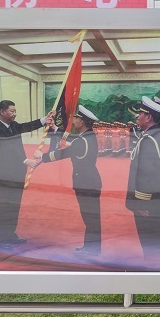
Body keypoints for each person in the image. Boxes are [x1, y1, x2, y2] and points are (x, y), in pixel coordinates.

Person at [35, 105, 102, 256]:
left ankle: (92, 249)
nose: (75, 120)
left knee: (90, 218)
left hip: (86, 183)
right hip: (90, 181)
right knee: (91, 217)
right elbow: (72, 138)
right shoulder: (88, 135)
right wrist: (55, 128)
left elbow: (63, 153)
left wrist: (42, 156)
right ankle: (91, 247)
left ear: (82, 122)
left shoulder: (82, 140)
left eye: (77, 118)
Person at [0, 100, 54, 250]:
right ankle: (0, 237)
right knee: (4, 206)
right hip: (4, 174)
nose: (15, 114)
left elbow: (26, 126)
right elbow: (6, 149)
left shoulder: (13, 125)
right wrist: (25, 160)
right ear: (2, 112)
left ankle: (10, 233)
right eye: (12, 111)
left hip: (17, 173)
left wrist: (44, 120)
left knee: (14, 205)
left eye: (15, 111)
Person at [125, 96, 160, 261]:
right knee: (156, 242)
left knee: (150, 243)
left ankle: (152, 269)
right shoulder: (158, 135)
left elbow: (149, 174)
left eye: (140, 113)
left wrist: (141, 203)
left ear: (148, 117)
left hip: (148, 204)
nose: (137, 117)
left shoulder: (150, 140)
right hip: (157, 200)